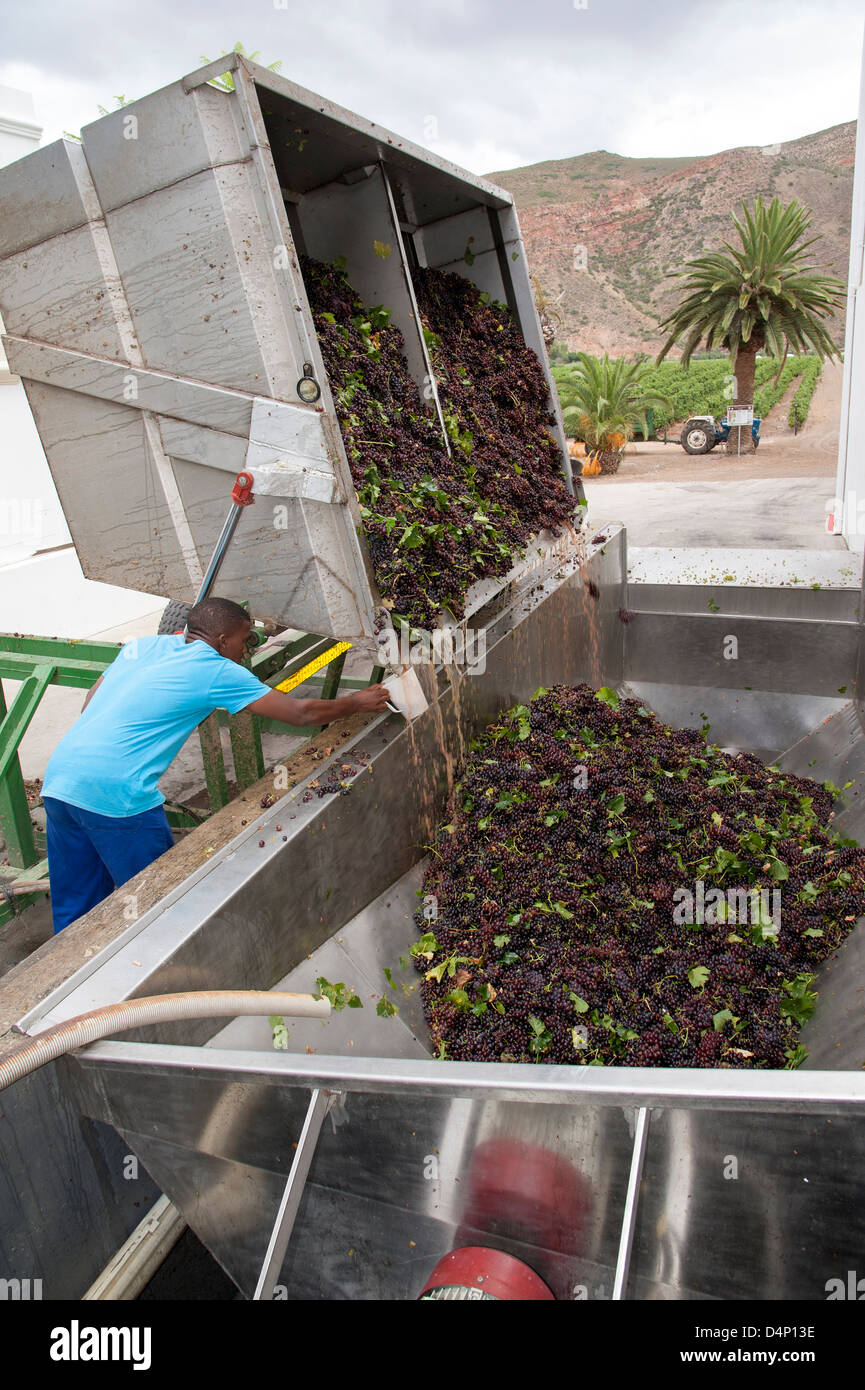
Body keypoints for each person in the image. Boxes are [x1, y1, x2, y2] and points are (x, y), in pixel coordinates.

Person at [41, 597, 390, 933]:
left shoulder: (142, 647)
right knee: (156, 908)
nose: (245, 650)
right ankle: (171, 986)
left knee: (77, 906)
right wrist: (358, 702)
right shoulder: (215, 670)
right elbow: (301, 713)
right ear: (222, 640)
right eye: (243, 640)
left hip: (61, 780)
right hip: (118, 798)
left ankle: (69, 984)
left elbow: (91, 703)